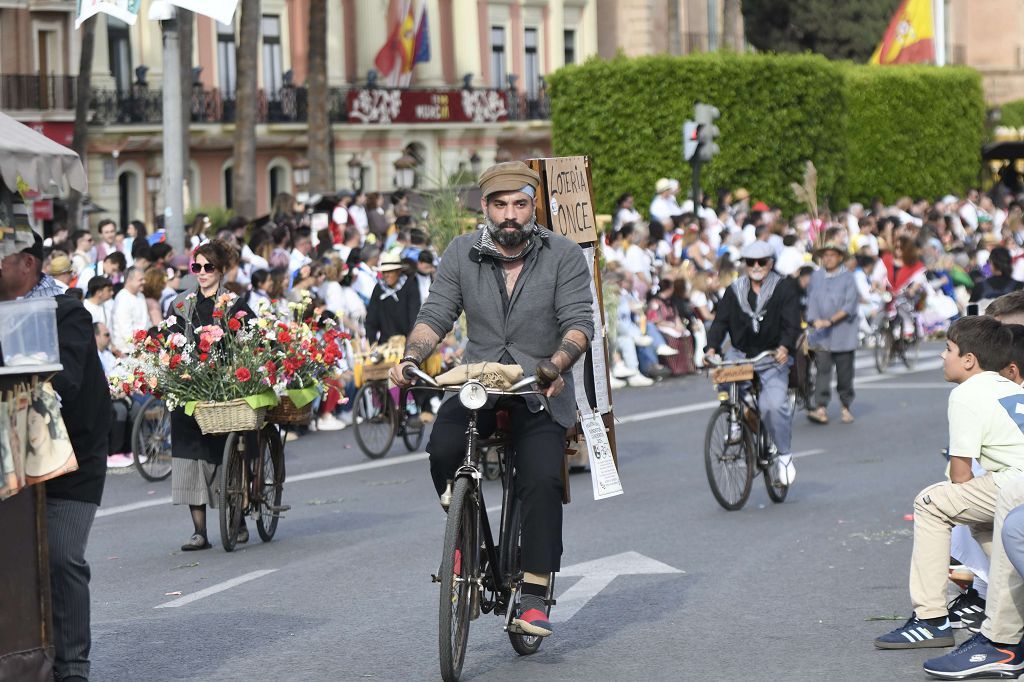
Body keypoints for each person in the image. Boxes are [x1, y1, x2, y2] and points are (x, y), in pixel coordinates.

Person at [390, 161, 594, 638]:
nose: (510, 215)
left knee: (542, 478)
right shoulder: (461, 253)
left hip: (537, 386)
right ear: (485, 207)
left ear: (533, 206)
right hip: (479, 381)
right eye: (500, 205)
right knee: (442, 448)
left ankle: (534, 592)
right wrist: (412, 357)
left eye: (519, 204)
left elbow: (579, 323)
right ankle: (466, 534)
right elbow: (435, 314)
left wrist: (556, 364)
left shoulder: (563, 254)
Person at [0, 232, 111, 682]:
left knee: (61, 556)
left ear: (27, 263)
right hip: (10, 458)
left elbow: (64, 383)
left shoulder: (67, 312)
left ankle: (73, 666)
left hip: (71, 457)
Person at [875, 317, 1024, 654]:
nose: (943, 356)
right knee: (977, 517)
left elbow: (960, 476)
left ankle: (930, 620)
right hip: (1015, 483)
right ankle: (1007, 603)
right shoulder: (1011, 387)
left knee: (931, 502)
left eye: (948, 349)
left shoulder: (966, 394)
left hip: (1014, 483)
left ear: (968, 360)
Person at [167, 240, 252, 550]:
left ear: (221, 270)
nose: (201, 272)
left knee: (223, 455)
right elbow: (169, 338)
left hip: (223, 389)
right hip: (188, 388)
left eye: (208, 267)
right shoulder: (180, 303)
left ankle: (237, 518)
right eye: (196, 267)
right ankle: (199, 532)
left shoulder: (235, 304)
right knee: (189, 457)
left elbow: (251, 338)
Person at [704, 240, 802, 485]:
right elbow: (720, 322)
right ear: (745, 264)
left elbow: (792, 323)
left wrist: (785, 347)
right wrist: (711, 348)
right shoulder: (735, 290)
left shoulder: (784, 288)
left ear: (771, 262)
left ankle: (784, 456)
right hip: (741, 353)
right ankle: (736, 417)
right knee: (723, 377)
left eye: (761, 262)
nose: (756, 266)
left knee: (773, 405)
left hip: (772, 355)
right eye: (750, 262)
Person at [805, 242, 860, 425]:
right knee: (822, 371)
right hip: (822, 335)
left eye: (832, 255)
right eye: (825, 255)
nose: (828, 259)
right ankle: (821, 406)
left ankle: (846, 406)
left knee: (845, 374)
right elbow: (811, 300)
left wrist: (830, 320)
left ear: (839, 257)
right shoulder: (816, 276)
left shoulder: (848, 278)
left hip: (844, 333)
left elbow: (850, 305)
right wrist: (814, 320)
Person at [364, 251, 419, 344]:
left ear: (398, 271)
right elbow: (371, 319)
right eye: (384, 272)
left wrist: (411, 343)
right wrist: (371, 343)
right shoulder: (379, 289)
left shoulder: (410, 286)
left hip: (406, 341)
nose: (386, 275)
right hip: (385, 343)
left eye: (390, 271)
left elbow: (414, 316)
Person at [109, 266, 148, 354]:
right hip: (127, 351)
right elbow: (125, 331)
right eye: (140, 280)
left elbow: (145, 322)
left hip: (142, 348)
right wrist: (137, 352)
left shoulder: (141, 295)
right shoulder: (122, 298)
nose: (144, 282)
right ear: (129, 280)